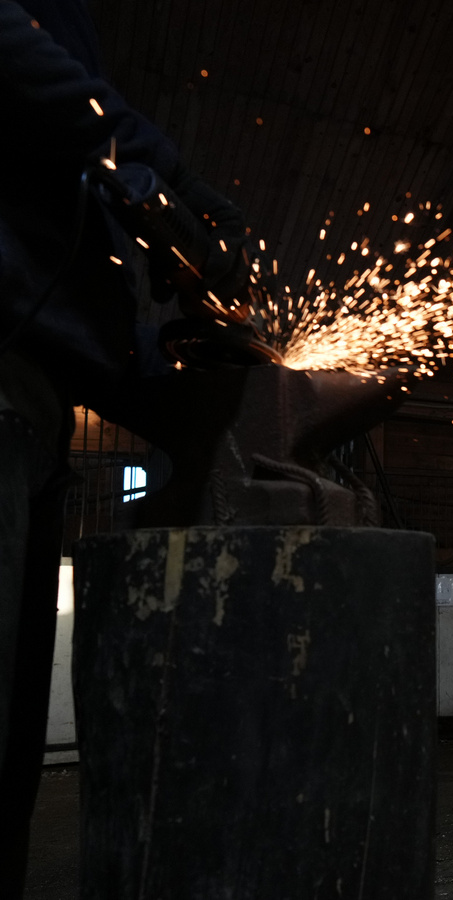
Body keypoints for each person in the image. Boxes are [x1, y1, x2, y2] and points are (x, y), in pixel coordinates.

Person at [0, 1, 246, 892]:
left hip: (34, 411)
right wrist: (162, 181)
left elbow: (71, 261)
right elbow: (66, 100)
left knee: (11, 757)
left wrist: (163, 352)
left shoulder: (68, 20)